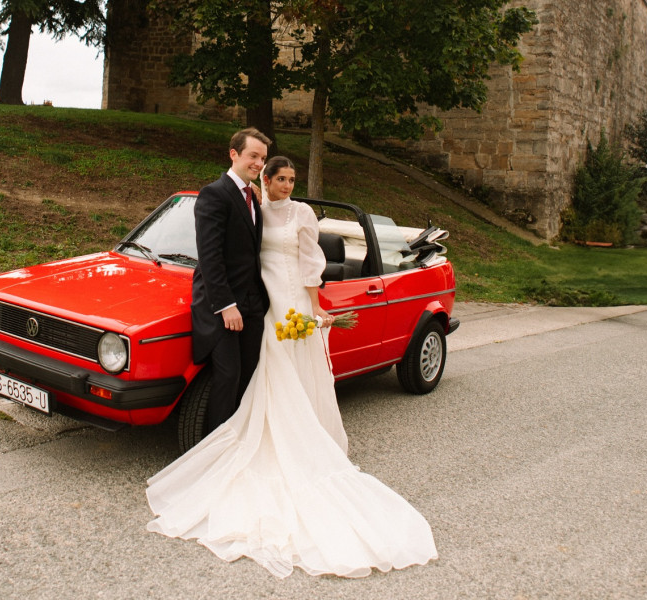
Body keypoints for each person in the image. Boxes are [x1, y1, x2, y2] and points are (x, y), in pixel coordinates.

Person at [147, 156, 438, 578]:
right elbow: (234, 256)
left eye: (291, 179)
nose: (286, 185)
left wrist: (317, 311)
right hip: (267, 305)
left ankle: (305, 435)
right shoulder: (256, 212)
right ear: (263, 180)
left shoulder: (302, 213)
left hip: (296, 301)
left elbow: (310, 264)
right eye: (279, 178)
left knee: (298, 370)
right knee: (268, 371)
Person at [190, 127, 272, 433]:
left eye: (262, 158)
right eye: (253, 156)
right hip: (222, 305)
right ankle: (215, 447)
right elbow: (209, 257)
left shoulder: (252, 197)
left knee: (249, 374)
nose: (258, 163)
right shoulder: (214, 194)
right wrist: (226, 305)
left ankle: (238, 438)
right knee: (228, 376)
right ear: (234, 154)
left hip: (253, 304)